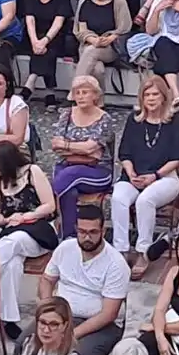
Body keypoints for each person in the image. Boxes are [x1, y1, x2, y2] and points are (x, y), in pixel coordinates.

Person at [0, 141, 59, 337]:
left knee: (17, 239)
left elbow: (50, 205)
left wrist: (26, 216)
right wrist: (8, 219)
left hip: (37, 230)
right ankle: (9, 320)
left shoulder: (32, 172)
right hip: (10, 230)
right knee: (12, 263)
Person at [113, 76, 179, 278]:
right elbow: (124, 153)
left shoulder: (175, 122)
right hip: (134, 176)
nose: (150, 98)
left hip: (164, 177)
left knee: (145, 200)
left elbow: (178, 158)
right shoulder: (134, 120)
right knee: (118, 198)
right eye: (146, 94)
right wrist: (130, 172)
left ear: (164, 96)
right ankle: (120, 250)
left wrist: (155, 176)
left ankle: (143, 251)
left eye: (155, 94)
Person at [40, 204, 131, 355]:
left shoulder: (116, 264)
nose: (87, 237)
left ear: (103, 231)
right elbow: (47, 280)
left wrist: (70, 334)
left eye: (93, 232)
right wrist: (48, 310)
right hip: (62, 316)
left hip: (101, 326)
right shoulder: (65, 248)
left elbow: (109, 314)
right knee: (26, 343)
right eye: (82, 232)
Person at [51, 77, 118, 237]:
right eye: (77, 93)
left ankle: (47, 210)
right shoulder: (66, 114)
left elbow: (91, 149)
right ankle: (70, 237)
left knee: (68, 175)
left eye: (85, 92)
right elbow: (55, 145)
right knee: (69, 191)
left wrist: (67, 146)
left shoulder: (104, 119)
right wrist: (82, 150)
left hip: (97, 172)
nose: (80, 96)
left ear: (95, 95)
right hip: (66, 167)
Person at [20, 0, 74, 101]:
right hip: (33, 35)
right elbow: (30, 20)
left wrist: (44, 41)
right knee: (42, 49)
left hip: (55, 36)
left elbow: (58, 23)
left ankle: (30, 82)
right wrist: (35, 41)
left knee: (49, 49)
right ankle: (50, 91)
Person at [74, 0, 133, 80]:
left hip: (110, 47)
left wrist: (110, 38)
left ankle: (75, 88)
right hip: (88, 44)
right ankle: (97, 92)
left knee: (90, 51)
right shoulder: (84, 0)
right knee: (98, 70)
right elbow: (81, 30)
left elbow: (125, 28)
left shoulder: (119, 1)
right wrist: (93, 40)